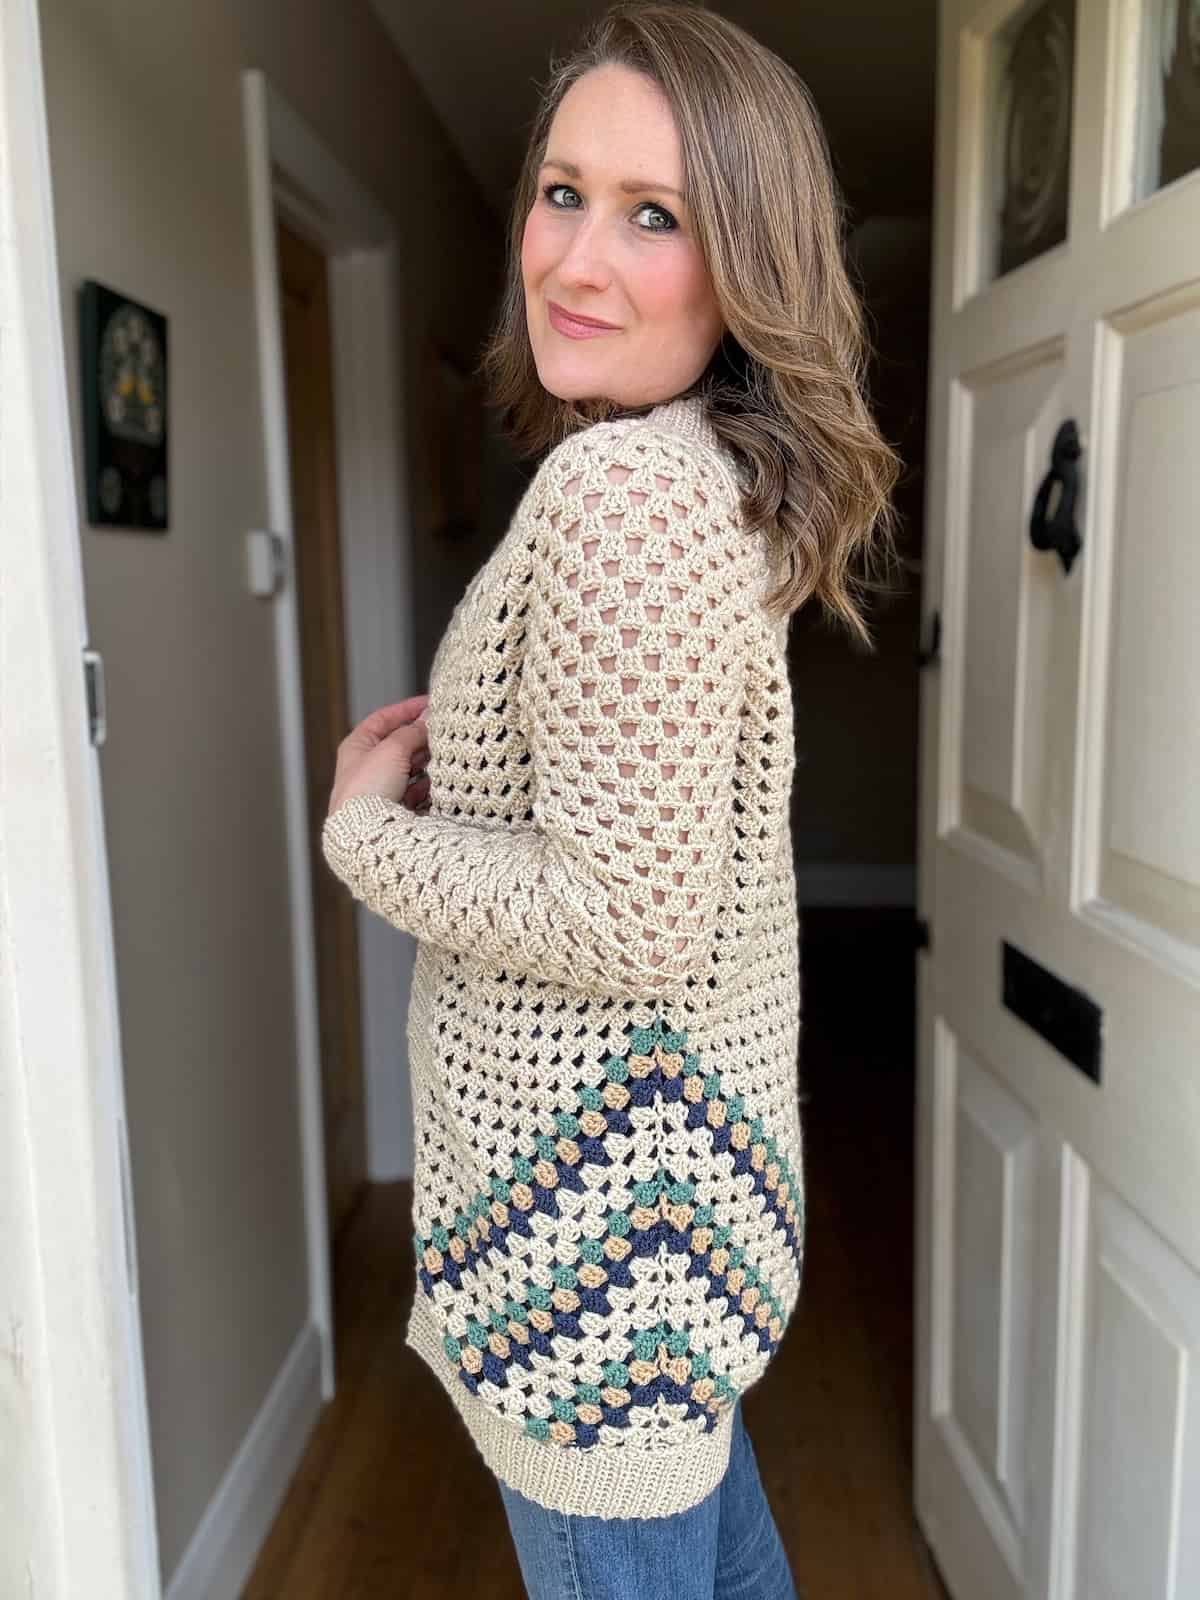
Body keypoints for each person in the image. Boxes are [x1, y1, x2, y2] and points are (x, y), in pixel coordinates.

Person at [321, 3, 901, 1595]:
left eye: (657, 217)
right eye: (562, 191)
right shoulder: (703, 476)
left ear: (750, 266)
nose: (574, 260)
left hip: (596, 1265)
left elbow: (626, 919)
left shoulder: (624, 490)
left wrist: (370, 835)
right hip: (661, 1242)